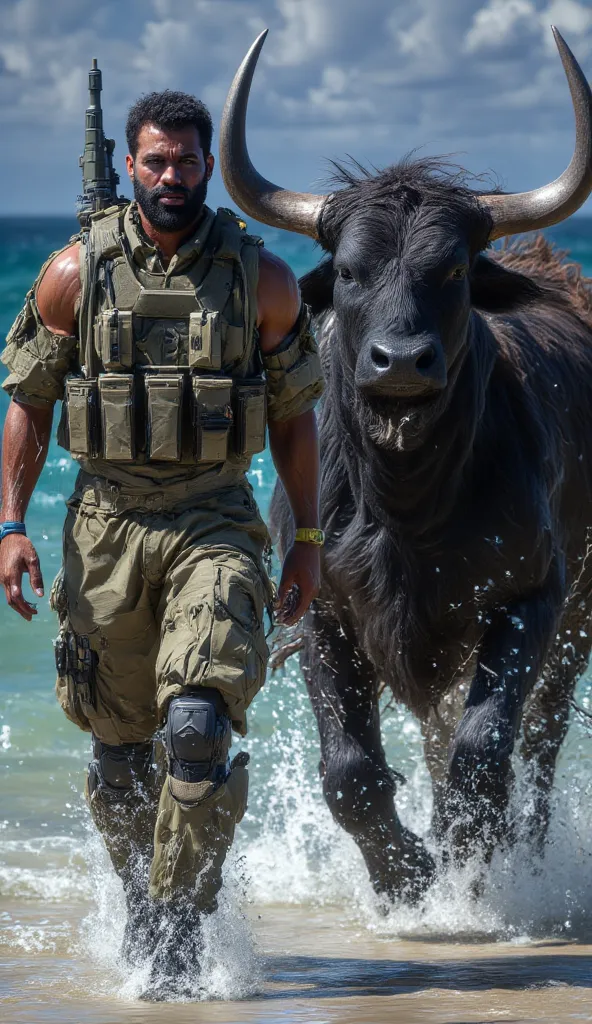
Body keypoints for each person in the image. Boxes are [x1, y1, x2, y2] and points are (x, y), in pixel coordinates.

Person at [0, 90, 324, 999]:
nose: (171, 176)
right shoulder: (74, 272)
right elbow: (27, 403)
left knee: (196, 725)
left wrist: (304, 536)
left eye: (186, 161)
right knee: (118, 750)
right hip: (105, 526)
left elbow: (298, 419)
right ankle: (145, 901)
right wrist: (12, 527)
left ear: (207, 168)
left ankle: (180, 924)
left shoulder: (262, 281)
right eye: (155, 162)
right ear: (132, 166)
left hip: (216, 518)